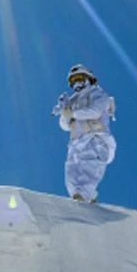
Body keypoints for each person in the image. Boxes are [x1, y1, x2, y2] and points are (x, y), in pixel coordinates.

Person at [52, 64, 116, 203]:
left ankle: (85, 198)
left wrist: (73, 113)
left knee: (89, 169)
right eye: (74, 81)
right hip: (76, 142)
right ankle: (84, 200)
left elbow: (95, 111)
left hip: (95, 139)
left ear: (89, 79)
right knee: (71, 174)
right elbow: (65, 126)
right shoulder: (73, 100)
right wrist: (65, 113)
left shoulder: (97, 93)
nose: (77, 83)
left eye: (80, 78)